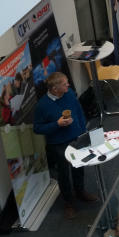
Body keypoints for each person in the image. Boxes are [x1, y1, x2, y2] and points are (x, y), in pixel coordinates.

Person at [33, 72, 97, 219]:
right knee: (63, 174)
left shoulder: (69, 94)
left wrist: (83, 132)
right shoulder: (42, 106)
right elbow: (37, 128)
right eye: (64, 83)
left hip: (76, 138)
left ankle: (80, 192)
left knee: (79, 166)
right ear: (55, 89)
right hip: (58, 144)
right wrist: (57, 124)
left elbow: (79, 112)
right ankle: (69, 202)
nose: (68, 85)